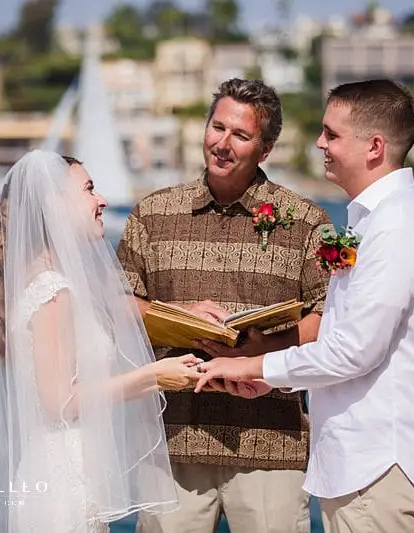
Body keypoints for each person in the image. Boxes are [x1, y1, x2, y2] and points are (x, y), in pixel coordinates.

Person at [194, 79, 414, 533]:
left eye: (331, 134)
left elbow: (355, 351)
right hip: (360, 464)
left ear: (374, 146)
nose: (320, 144)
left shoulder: (396, 228)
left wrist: (253, 367)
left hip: (378, 463)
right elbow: (342, 336)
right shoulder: (378, 220)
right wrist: (278, 380)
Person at [116, 78, 332, 533]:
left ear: (266, 149)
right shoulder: (153, 214)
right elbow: (115, 305)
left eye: (240, 135)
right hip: (172, 440)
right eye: (217, 127)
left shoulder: (307, 220)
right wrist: (179, 315)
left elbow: (329, 318)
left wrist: (259, 351)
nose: (222, 143)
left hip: (272, 444)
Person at [0, 150, 202, 533]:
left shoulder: (44, 281)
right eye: (89, 189)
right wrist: (154, 376)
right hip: (63, 485)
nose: (102, 200)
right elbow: (58, 401)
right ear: (55, 206)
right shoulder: (53, 291)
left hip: (62, 472)